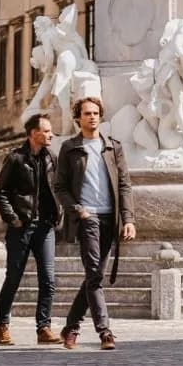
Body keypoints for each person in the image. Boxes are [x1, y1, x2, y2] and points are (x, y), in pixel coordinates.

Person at [53, 96, 136, 350]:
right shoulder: (70, 148)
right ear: (78, 118)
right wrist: (77, 210)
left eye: (95, 113)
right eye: (86, 113)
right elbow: (60, 186)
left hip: (111, 218)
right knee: (94, 276)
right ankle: (105, 332)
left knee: (94, 276)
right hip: (88, 218)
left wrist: (128, 218)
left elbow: (124, 184)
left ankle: (70, 327)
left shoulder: (113, 147)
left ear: (101, 116)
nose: (91, 117)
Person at [0, 113, 63, 346]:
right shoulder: (15, 158)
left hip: (45, 227)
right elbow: (0, 193)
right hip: (21, 227)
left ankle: (44, 328)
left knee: (48, 279)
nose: (51, 134)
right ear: (34, 133)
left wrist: (58, 214)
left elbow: (57, 188)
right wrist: (13, 219)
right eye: (46, 130)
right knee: (14, 277)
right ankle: (1, 326)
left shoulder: (51, 158)